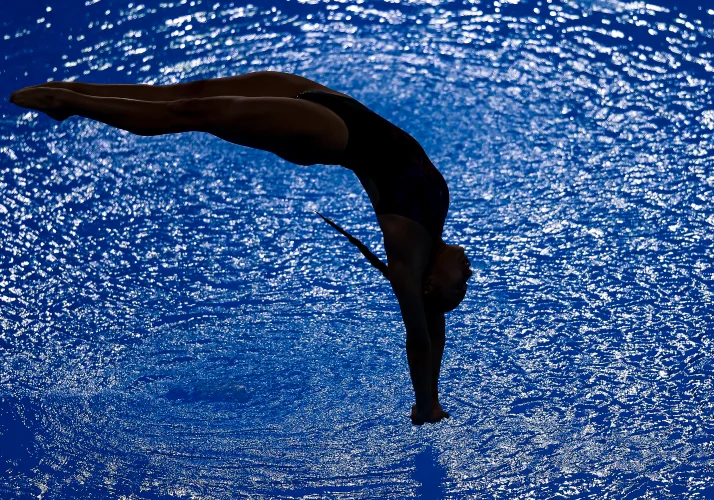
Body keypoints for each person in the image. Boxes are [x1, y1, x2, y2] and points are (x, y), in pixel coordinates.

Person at [9, 71, 472, 425]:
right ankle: (74, 88)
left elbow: (420, 338)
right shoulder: (434, 232)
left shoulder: (408, 256)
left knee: (194, 115)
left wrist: (425, 404)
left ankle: (72, 104)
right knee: (192, 92)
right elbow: (437, 333)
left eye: (460, 287)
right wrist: (434, 365)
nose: (469, 275)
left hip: (332, 133)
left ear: (430, 283)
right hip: (338, 104)